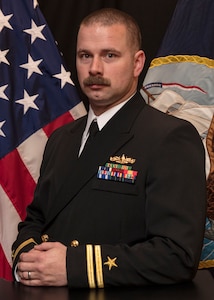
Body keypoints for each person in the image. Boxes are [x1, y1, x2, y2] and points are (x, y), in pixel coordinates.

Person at [12, 8, 206, 288]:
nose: (95, 69)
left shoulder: (170, 138)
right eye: (85, 56)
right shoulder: (61, 139)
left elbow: (177, 255)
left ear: (138, 63)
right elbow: (36, 220)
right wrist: (31, 263)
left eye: (110, 55)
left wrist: (73, 266)